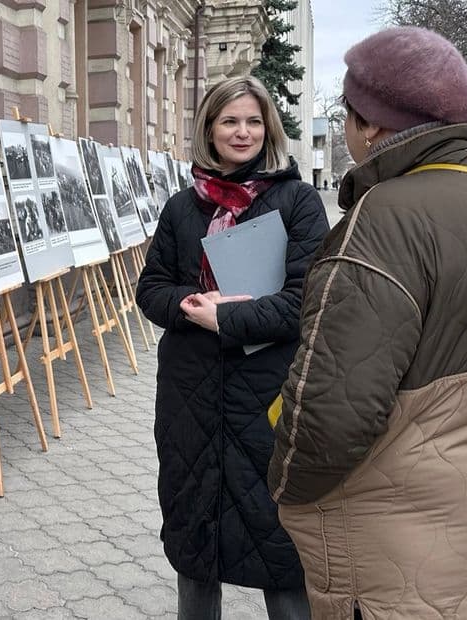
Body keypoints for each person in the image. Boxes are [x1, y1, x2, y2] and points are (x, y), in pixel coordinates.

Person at [268, 27, 467, 619]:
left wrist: (286, 489)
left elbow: (332, 411)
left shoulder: (384, 220)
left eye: (347, 114)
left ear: (369, 123)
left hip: (401, 557)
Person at [135, 75, 329, 620]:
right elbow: (150, 291)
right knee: (195, 545)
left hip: (267, 396)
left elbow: (304, 302)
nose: (242, 132)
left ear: (268, 126)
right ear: (209, 130)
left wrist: (227, 316)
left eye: (252, 120)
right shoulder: (182, 207)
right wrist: (192, 304)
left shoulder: (298, 202)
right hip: (190, 398)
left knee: (281, 548)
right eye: (229, 121)